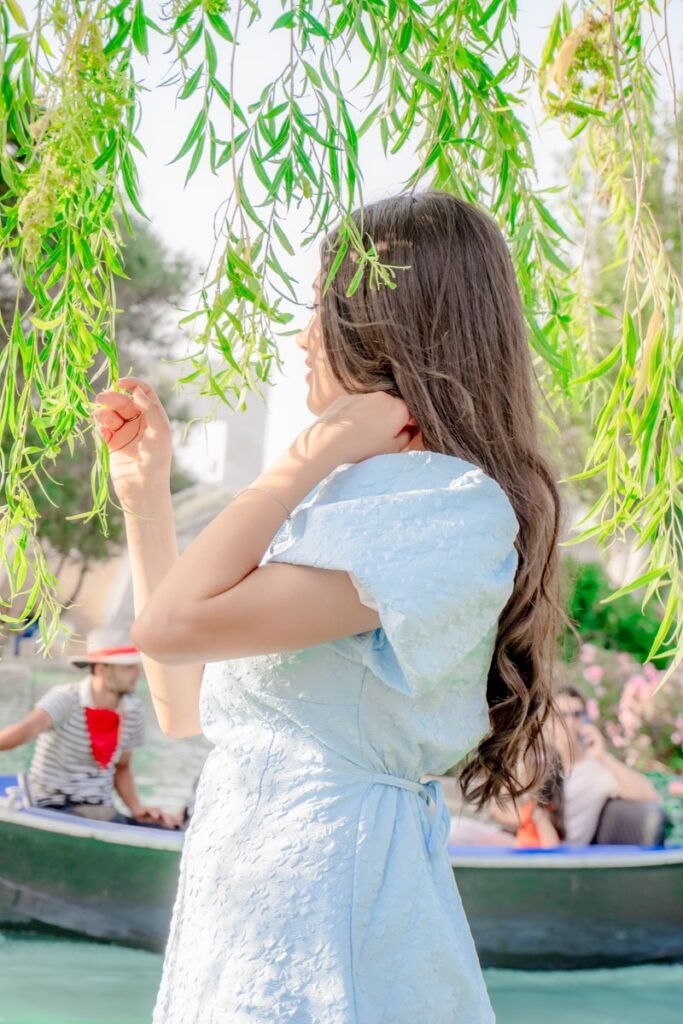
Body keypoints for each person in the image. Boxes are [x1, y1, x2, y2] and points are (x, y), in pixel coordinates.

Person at [94, 192, 562, 1023]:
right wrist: (146, 499)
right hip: (251, 892)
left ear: (390, 327)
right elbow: (180, 700)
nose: (305, 336)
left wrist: (308, 454)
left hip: (327, 898)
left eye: (323, 309)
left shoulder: (443, 502)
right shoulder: (351, 499)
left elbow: (166, 627)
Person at [0, 627, 180, 828]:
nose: (137, 674)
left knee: (167, 825)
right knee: (101, 818)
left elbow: (122, 768)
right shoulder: (66, 698)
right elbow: (26, 730)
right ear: (102, 669)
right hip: (52, 803)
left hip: (101, 809)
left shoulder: (134, 709)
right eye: (128, 667)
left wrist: (137, 809)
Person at [550, 684, 660, 845]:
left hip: (555, 855)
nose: (569, 722)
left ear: (586, 719)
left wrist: (603, 756)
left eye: (577, 714)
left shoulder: (596, 770)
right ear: (546, 720)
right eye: (561, 715)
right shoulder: (535, 763)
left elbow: (650, 794)